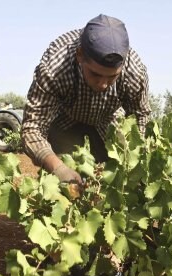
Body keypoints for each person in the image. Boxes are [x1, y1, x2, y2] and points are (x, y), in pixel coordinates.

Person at [21, 14, 150, 186]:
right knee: (64, 188)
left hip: (108, 124)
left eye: (112, 77)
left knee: (107, 186)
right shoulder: (55, 67)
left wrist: (135, 160)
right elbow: (33, 127)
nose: (103, 84)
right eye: (95, 74)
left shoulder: (134, 72)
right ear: (80, 55)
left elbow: (142, 117)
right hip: (65, 122)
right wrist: (58, 167)